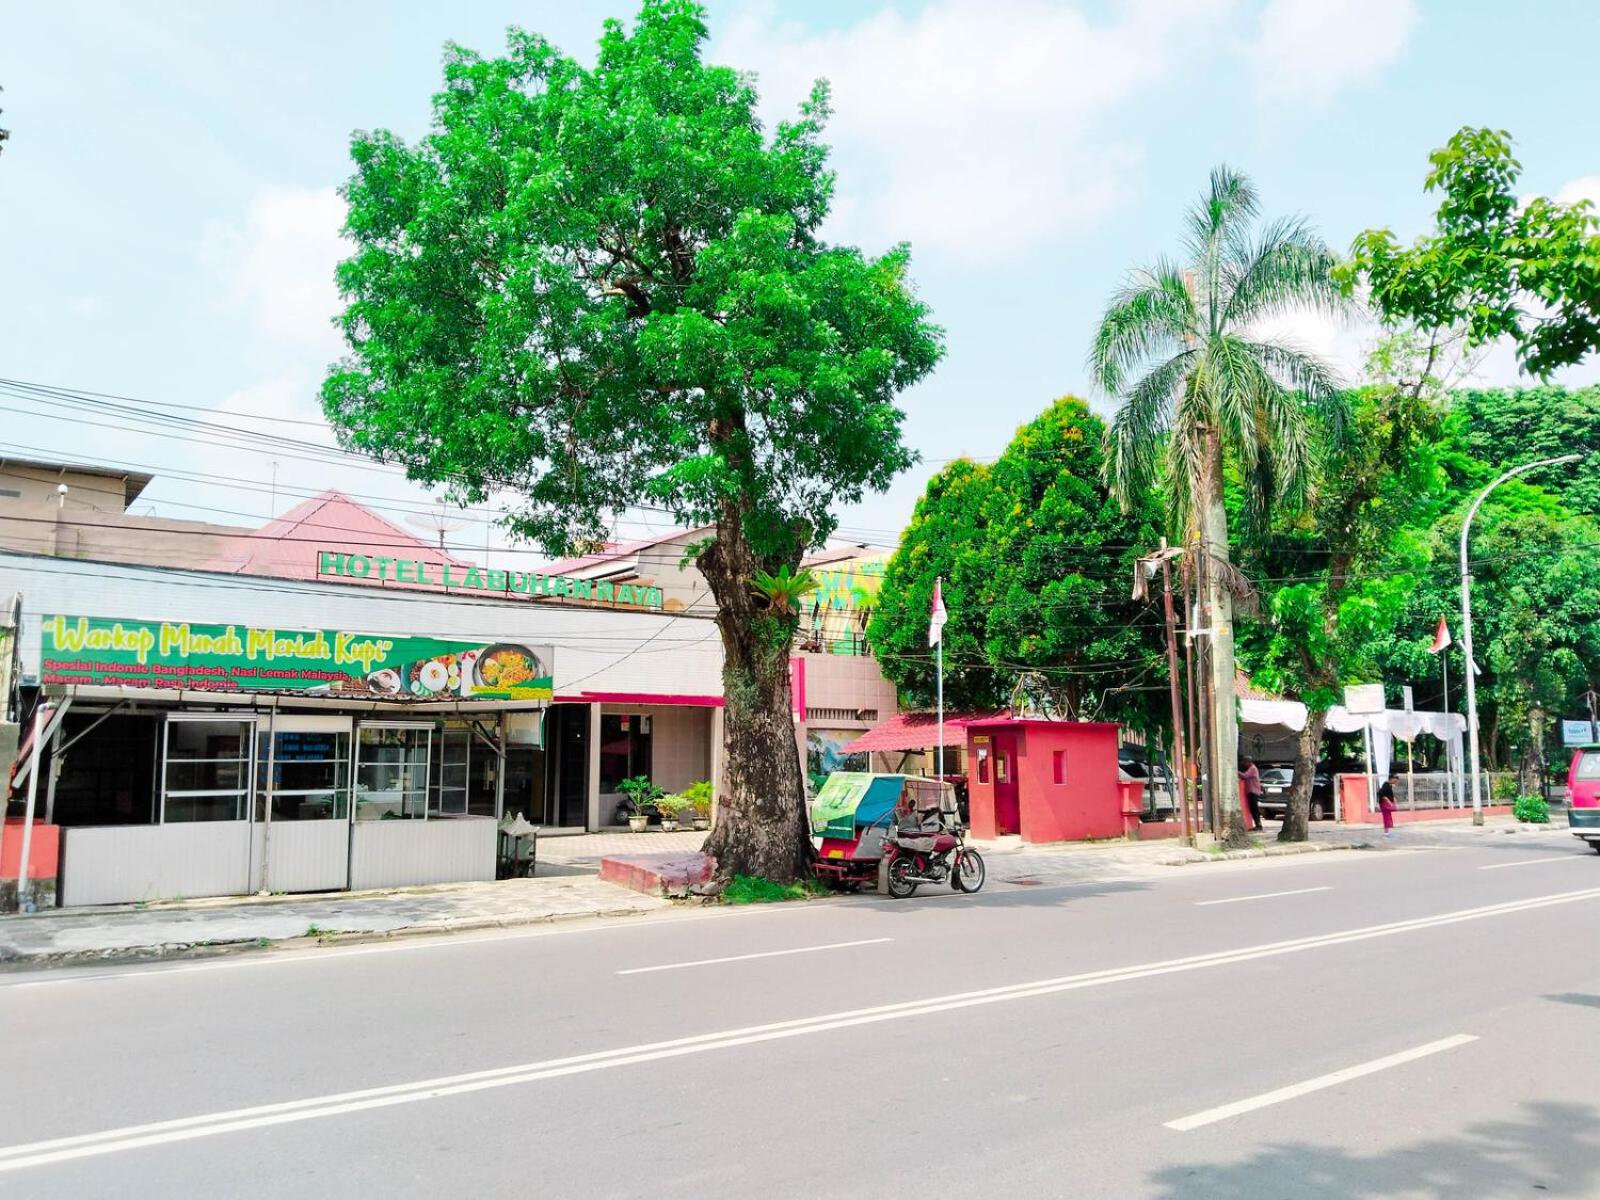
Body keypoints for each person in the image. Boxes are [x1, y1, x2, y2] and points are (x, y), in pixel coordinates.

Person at [1240, 757, 1263, 831]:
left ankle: (1258, 825)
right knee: (1253, 809)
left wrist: (1236, 771)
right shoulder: (1251, 768)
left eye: (1245, 762)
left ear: (1249, 762)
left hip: (1253, 791)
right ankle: (1257, 824)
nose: (1244, 764)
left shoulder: (1252, 768)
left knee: (1254, 809)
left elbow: (1245, 776)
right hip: (1251, 791)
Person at [1378, 770, 1399, 839]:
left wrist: (1393, 798)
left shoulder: (1389, 785)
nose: (1395, 782)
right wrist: (1388, 801)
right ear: (1391, 779)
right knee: (1387, 818)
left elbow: (1389, 794)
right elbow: (1381, 794)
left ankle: (1387, 833)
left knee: (1388, 818)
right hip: (1384, 804)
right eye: (1395, 781)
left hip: (1386, 804)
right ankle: (1386, 834)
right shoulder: (1386, 785)